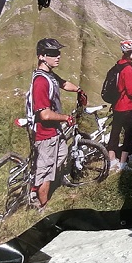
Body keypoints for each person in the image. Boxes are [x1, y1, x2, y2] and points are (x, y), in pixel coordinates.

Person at [27, 38, 85, 208]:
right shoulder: (41, 81)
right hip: (45, 134)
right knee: (46, 171)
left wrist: (79, 90)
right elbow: (44, 114)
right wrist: (66, 117)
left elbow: (63, 84)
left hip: (54, 131)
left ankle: (38, 184)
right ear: (42, 56)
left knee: (60, 156)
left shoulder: (49, 75)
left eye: (58, 53)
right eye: (53, 54)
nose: (58, 56)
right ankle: (42, 206)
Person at [106, 39, 132, 171]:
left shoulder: (119, 64)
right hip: (126, 106)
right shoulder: (128, 68)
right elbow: (130, 90)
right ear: (129, 52)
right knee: (130, 134)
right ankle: (123, 164)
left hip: (117, 105)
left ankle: (111, 160)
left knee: (115, 133)